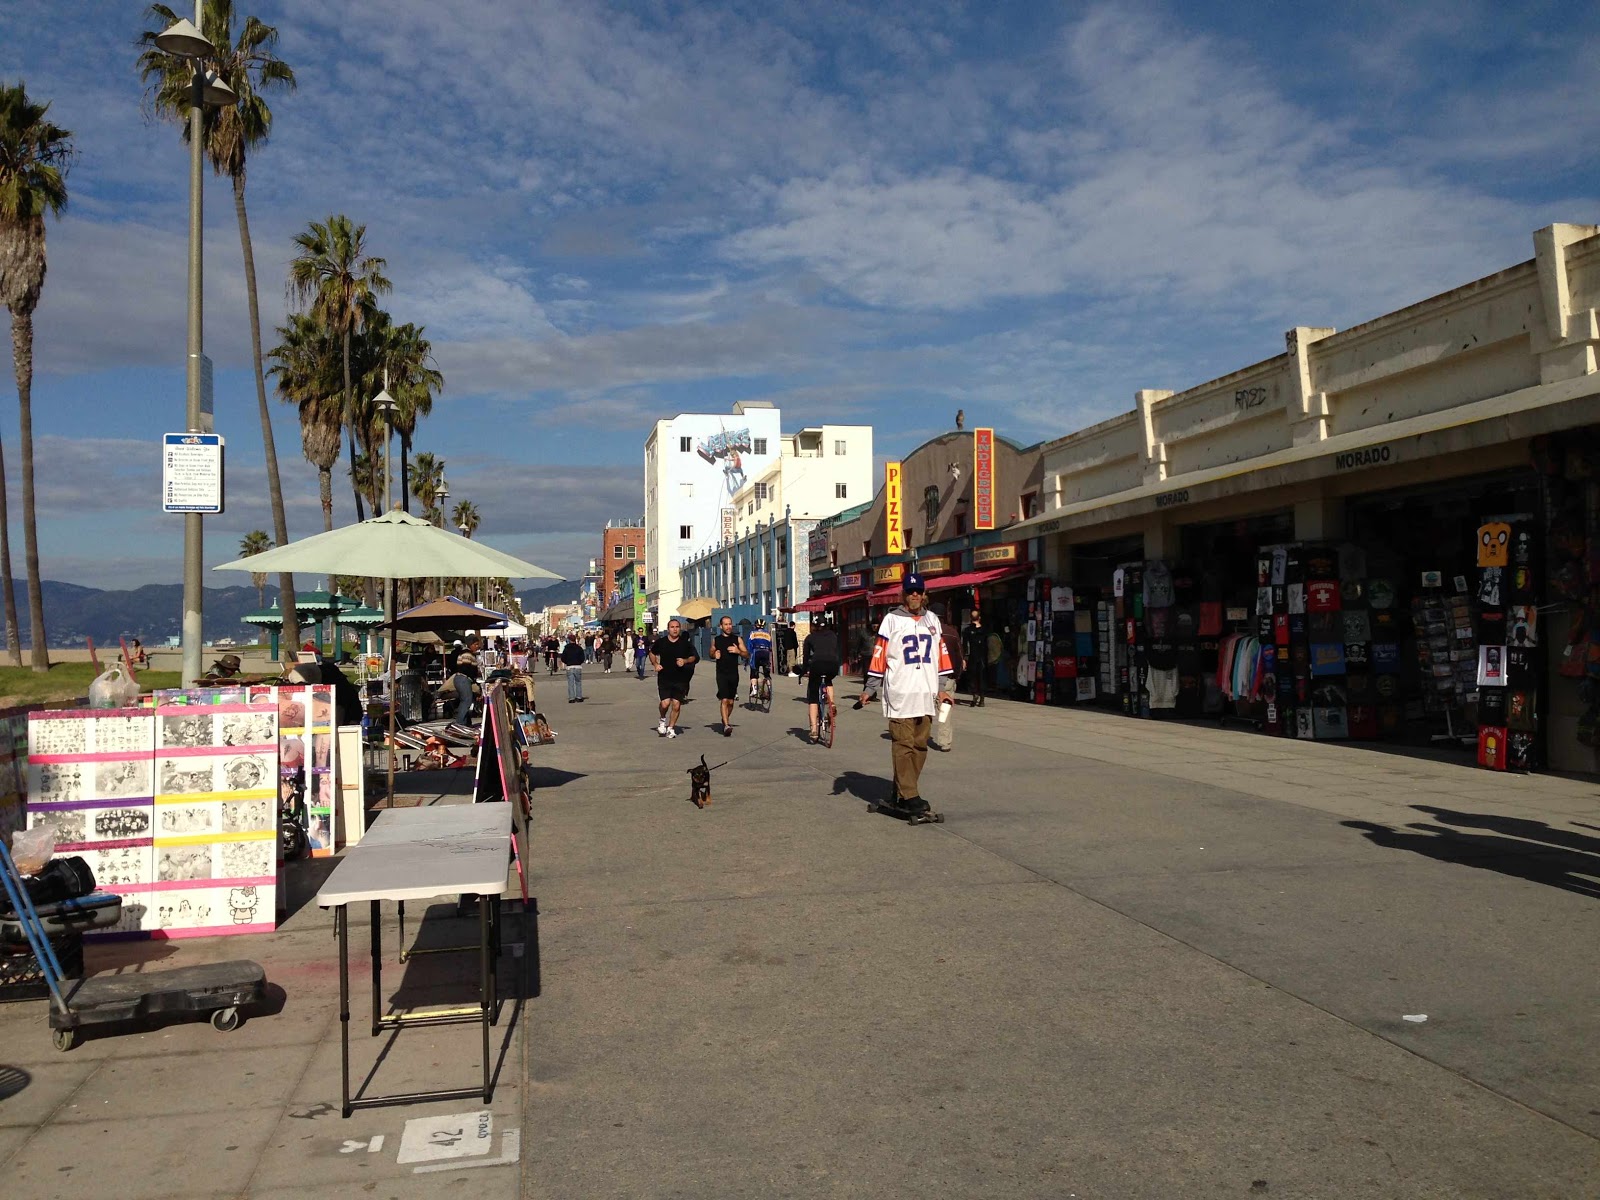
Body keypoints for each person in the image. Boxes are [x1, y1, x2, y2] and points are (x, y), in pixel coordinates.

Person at [861, 573, 954, 815]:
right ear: (903, 594)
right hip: (900, 694)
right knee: (903, 745)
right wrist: (870, 687)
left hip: (925, 695)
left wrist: (942, 690)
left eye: (918, 591)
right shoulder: (891, 620)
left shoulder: (932, 620)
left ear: (924, 595)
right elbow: (879, 654)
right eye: (910, 591)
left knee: (920, 746)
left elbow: (941, 656)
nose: (914, 595)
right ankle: (910, 795)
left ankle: (900, 792)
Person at [650, 617, 698, 738]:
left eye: (677, 627)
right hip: (664, 677)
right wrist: (655, 664)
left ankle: (671, 728)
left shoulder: (685, 643)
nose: (675, 629)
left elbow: (694, 657)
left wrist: (685, 660)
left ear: (680, 629)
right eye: (672, 627)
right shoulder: (661, 642)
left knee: (676, 704)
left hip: (680, 678)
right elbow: (652, 653)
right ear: (668, 629)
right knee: (665, 704)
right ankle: (662, 720)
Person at [799, 614, 842, 743]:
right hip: (833, 666)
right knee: (828, 680)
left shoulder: (810, 638)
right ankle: (831, 703)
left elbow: (806, 658)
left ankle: (813, 730)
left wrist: (804, 671)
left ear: (814, 626)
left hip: (817, 665)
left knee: (813, 697)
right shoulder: (833, 635)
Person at [710, 614, 747, 736]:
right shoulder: (717, 640)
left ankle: (725, 718)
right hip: (721, 673)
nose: (728, 626)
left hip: (733, 674)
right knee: (724, 699)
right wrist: (714, 654)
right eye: (725, 624)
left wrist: (738, 651)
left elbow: (747, 654)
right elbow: (711, 652)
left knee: (731, 702)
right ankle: (726, 725)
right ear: (721, 626)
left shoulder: (737, 639)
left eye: (730, 624)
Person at [961, 610, 990, 707]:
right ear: (979, 618)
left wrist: (964, 657)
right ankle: (982, 698)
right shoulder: (985, 630)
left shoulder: (967, 631)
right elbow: (988, 645)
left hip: (972, 656)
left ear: (970, 618)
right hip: (983, 656)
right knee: (982, 677)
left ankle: (974, 694)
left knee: (972, 676)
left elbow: (965, 645)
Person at [746, 619, 773, 703]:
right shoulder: (768, 634)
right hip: (765, 653)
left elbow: (749, 645)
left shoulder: (753, 633)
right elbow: (770, 645)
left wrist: (748, 656)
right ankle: (769, 689)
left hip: (756, 652)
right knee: (766, 674)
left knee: (754, 672)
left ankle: (754, 690)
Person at [561, 632, 586, 703]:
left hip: (569, 666)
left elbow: (563, 658)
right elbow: (582, 657)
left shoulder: (566, 648)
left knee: (570, 683)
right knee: (578, 682)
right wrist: (579, 662)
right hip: (578, 666)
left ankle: (571, 698)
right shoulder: (579, 648)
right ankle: (579, 697)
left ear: (569, 640)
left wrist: (567, 662)